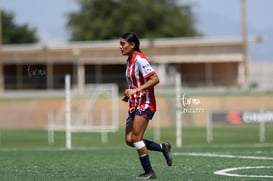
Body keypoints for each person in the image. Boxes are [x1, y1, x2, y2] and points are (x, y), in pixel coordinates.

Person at [120, 32, 173, 180]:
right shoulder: (129, 61)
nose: (120, 47)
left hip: (145, 103)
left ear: (132, 45)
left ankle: (149, 172)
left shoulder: (140, 60)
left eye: (123, 44)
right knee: (130, 140)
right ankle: (163, 148)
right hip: (134, 103)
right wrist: (129, 93)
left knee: (137, 138)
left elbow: (155, 79)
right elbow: (135, 82)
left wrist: (136, 90)